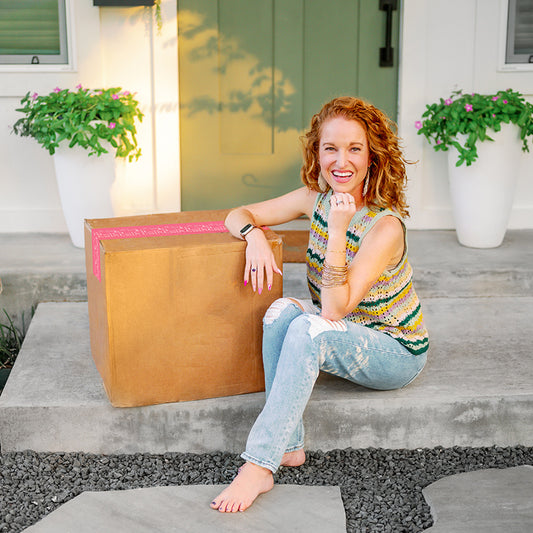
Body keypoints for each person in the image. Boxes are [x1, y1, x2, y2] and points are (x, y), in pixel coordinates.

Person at [210, 96, 429, 513]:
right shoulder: (316, 197)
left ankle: (258, 465)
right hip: (342, 328)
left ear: (372, 157)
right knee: (279, 314)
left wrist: (338, 230)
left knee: (309, 327)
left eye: (354, 149)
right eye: (330, 148)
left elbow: (333, 311)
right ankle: (289, 445)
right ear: (317, 152)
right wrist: (253, 235)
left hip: (394, 350)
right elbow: (237, 213)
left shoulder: (385, 226)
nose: (340, 160)